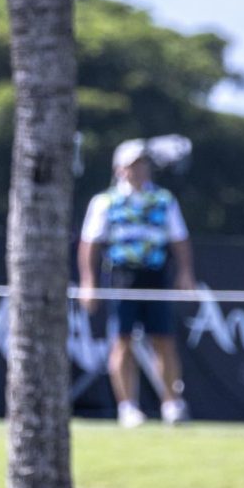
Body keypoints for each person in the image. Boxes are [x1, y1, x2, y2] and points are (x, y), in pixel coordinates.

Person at [77, 139, 196, 427]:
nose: (140, 170)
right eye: (133, 165)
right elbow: (90, 244)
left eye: (143, 164)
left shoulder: (164, 199)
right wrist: (88, 282)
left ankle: (171, 404)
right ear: (119, 170)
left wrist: (185, 273)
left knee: (163, 340)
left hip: (155, 274)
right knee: (122, 341)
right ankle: (128, 407)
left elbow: (179, 240)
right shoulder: (105, 201)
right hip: (120, 276)